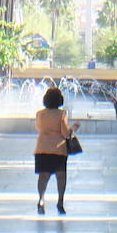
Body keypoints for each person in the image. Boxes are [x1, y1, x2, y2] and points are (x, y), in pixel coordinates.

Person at [34, 86, 80, 215]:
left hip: (42, 148)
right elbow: (65, 133)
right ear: (59, 100)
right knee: (61, 176)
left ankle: (41, 200)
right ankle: (60, 202)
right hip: (59, 149)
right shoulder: (62, 114)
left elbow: (38, 128)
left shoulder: (40, 114)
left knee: (43, 176)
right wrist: (74, 128)